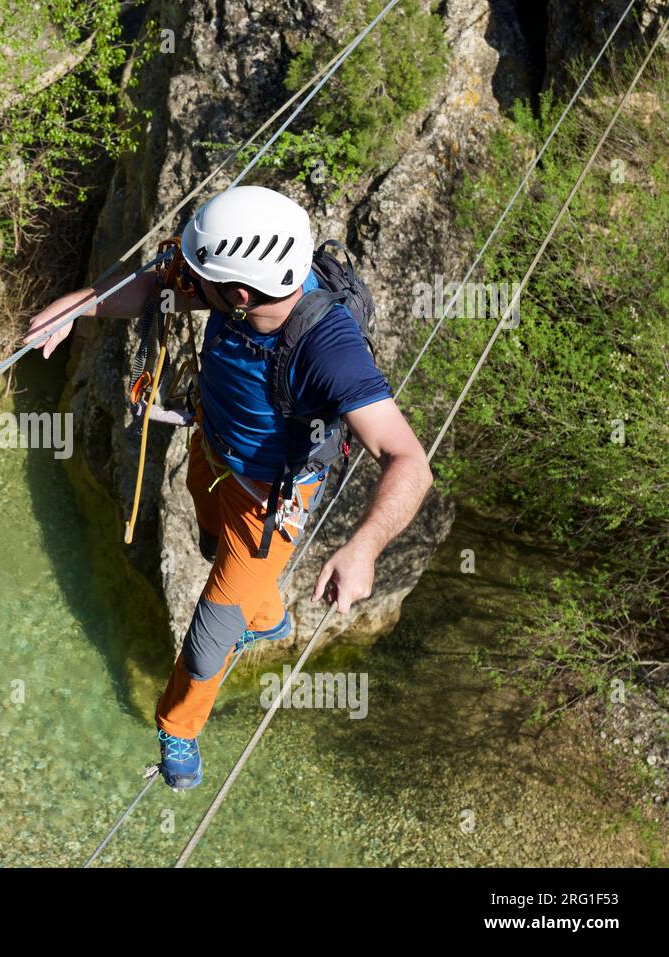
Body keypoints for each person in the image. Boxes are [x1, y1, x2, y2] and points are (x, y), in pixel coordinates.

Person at [24, 186, 432, 789]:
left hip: (268, 504)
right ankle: (264, 614)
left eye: (202, 277)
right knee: (214, 549)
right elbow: (156, 287)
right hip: (211, 450)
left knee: (208, 639)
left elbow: (408, 460)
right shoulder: (241, 288)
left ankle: (180, 729)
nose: (188, 279)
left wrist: (364, 547)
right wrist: (75, 309)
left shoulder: (328, 348)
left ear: (239, 293)